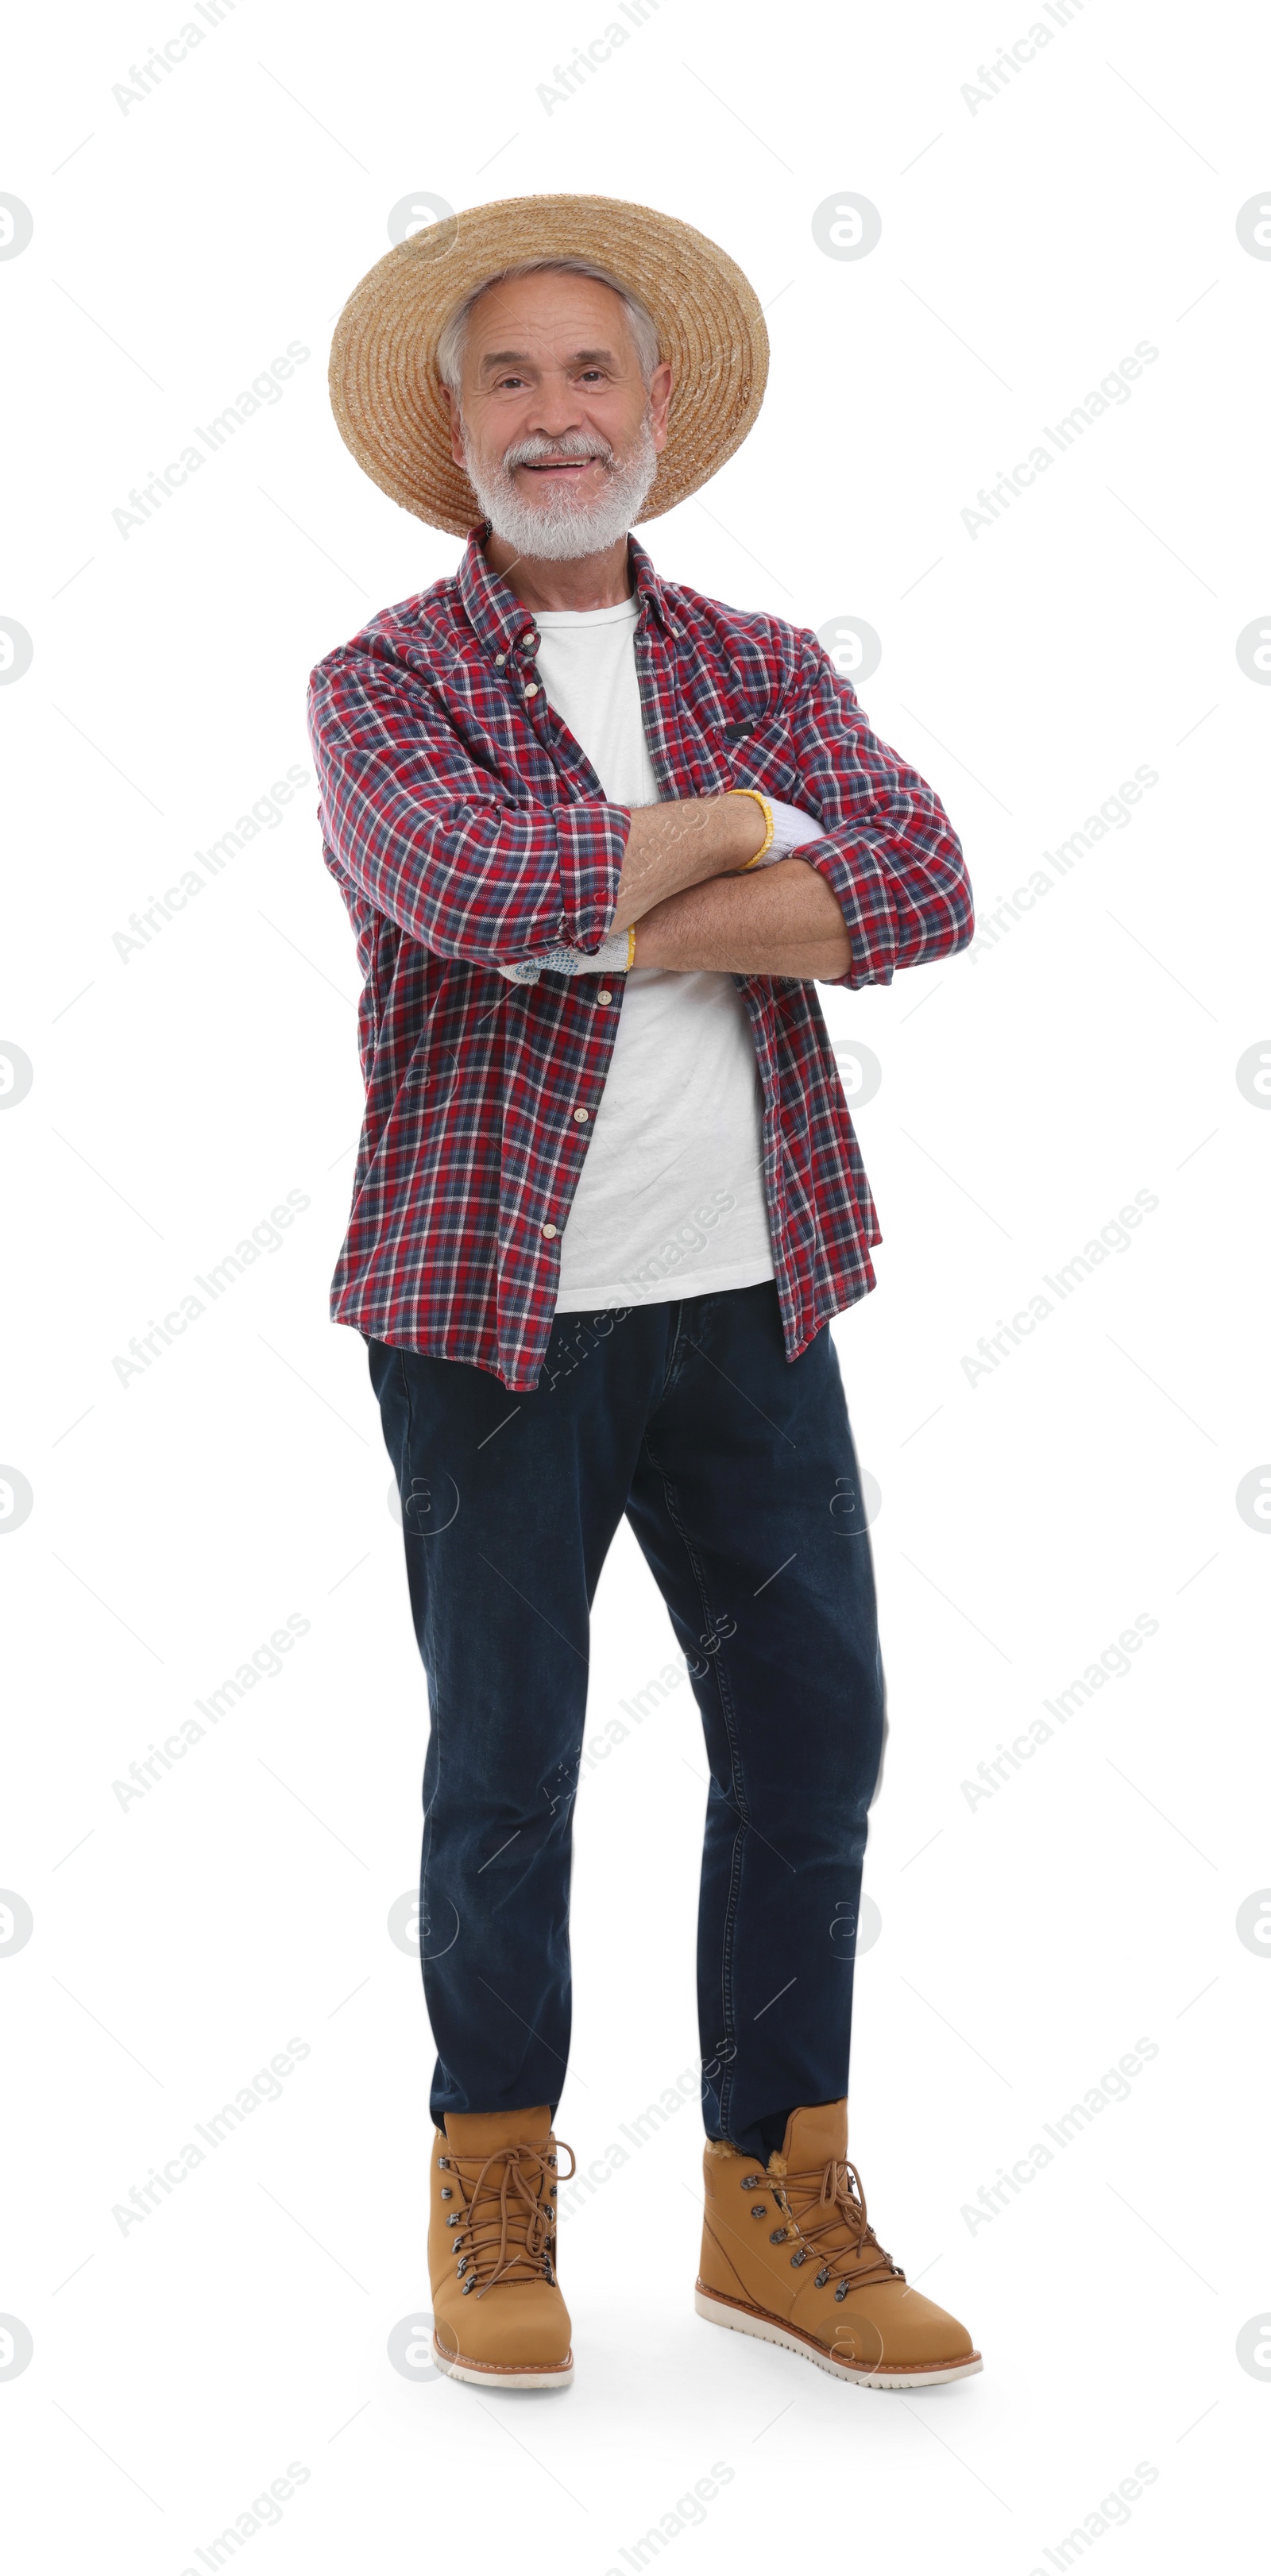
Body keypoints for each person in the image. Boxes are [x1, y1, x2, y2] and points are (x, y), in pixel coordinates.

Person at [308, 193, 980, 2393]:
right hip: (488, 1322)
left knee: (814, 1739)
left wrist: (615, 891)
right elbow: (460, 877)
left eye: (589, 372)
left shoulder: (765, 661)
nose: (554, 412)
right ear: (456, 423)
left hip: (756, 1300)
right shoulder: (382, 680)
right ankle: (492, 2169)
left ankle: (775, 2193)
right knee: (503, 1767)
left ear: (657, 408)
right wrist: (748, 849)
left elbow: (921, 879)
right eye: (508, 376)